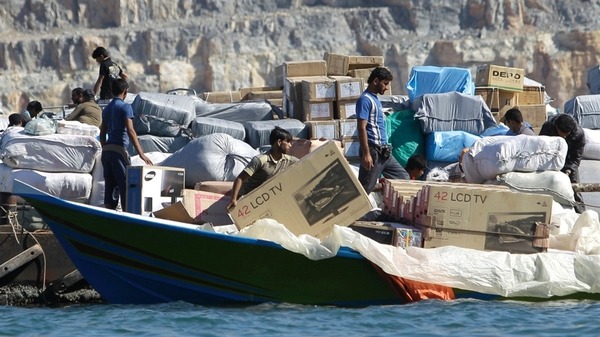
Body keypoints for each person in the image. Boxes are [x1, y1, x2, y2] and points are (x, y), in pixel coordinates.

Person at [99, 78, 152, 210]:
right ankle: (126, 216)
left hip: (107, 151)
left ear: (112, 91)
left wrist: (104, 147)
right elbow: (131, 130)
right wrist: (141, 154)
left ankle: (109, 217)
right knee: (125, 185)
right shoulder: (125, 107)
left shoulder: (106, 109)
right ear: (125, 91)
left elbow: (102, 131)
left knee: (110, 185)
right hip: (119, 150)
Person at [356, 66, 409, 193]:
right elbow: (361, 127)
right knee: (364, 189)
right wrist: (366, 154)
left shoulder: (375, 100)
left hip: (384, 153)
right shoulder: (365, 100)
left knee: (403, 177)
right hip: (373, 151)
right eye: (385, 83)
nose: (386, 87)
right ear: (375, 81)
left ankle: (381, 189)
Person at [227, 126, 299, 210]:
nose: (290, 145)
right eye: (288, 142)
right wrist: (234, 199)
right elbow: (240, 178)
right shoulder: (261, 160)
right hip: (248, 200)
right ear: (279, 142)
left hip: (264, 200)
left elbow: (305, 162)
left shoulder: (287, 160)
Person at [539, 113, 586, 213]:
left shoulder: (578, 134)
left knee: (575, 188)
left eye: (566, 134)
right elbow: (541, 147)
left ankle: (581, 214)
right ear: (556, 127)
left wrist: (568, 170)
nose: (564, 136)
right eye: (562, 133)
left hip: (568, 162)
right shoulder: (548, 128)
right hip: (550, 161)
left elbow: (576, 158)